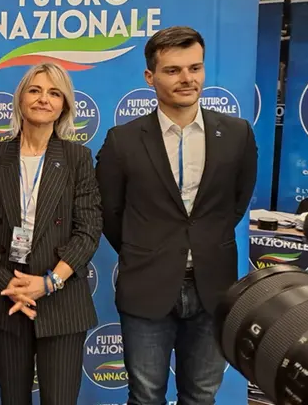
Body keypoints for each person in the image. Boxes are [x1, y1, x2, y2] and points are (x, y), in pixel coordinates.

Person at [95, 26, 258, 404]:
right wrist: (146, 249)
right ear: (150, 77)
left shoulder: (237, 134)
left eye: (195, 68)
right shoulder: (123, 140)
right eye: (173, 70)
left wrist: (201, 242)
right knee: (145, 396)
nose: (187, 78)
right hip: (146, 286)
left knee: (201, 396)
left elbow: (236, 203)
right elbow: (110, 212)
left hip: (213, 287)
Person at [0, 62, 103, 405]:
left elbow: (88, 230)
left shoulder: (78, 158)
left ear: (64, 105)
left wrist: (49, 282)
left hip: (62, 300)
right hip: (9, 300)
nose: (44, 99)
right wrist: (9, 285)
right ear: (21, 98)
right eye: (35, 90)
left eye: (54, 93)